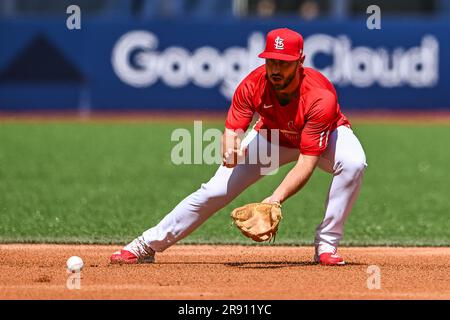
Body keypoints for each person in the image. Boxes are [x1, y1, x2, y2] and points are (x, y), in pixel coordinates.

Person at [110, 28, 367, 266]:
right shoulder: (253, 84)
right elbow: (233, 129)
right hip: (273, 137)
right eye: (271, 61)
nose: (275, 69)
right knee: (215, 190)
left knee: (353, 163)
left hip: (325, 136)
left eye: (283, 62)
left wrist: (274, 200)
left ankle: (326, 244)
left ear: (300, 62)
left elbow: (306, 162)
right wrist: (230, 145)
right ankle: (145, 245)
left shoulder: (320, 97)